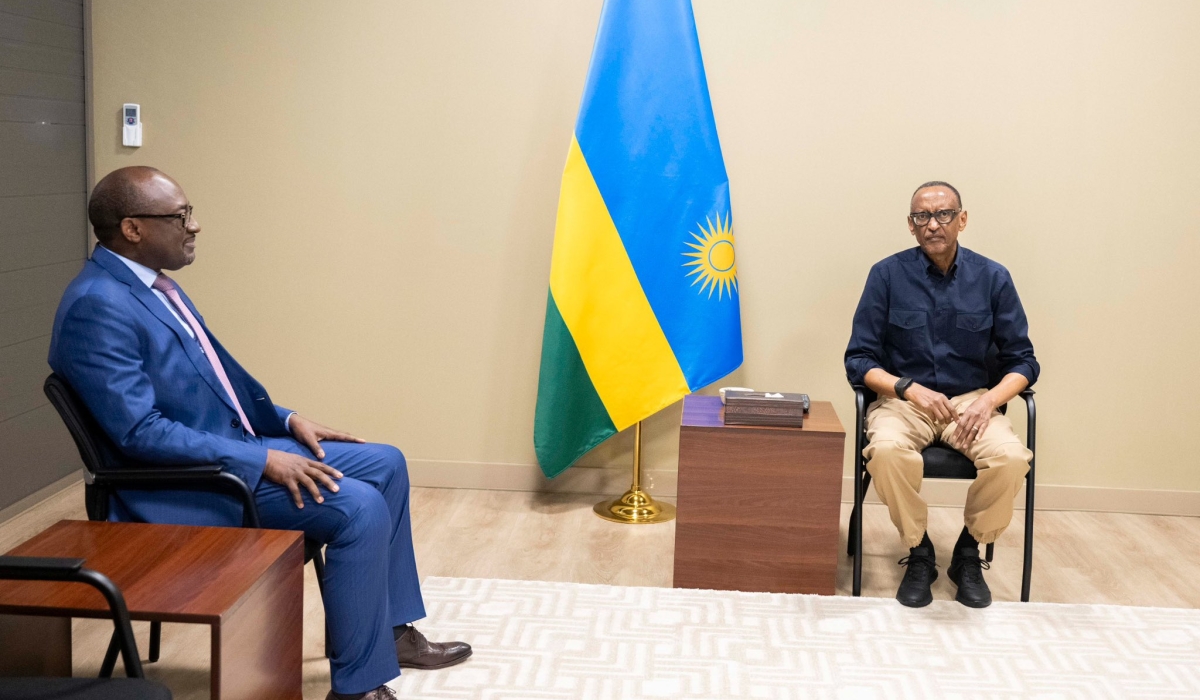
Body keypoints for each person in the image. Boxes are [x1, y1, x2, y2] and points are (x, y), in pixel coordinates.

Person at [49, 166, 470, 700]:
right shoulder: (97, 305)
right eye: (180, 216)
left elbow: (215, 383)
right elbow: (140, 434)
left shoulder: (153, 286)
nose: (194, 225)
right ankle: (358, 689)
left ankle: (387, 633)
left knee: (385, 462)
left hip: (230, 449)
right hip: (180, 484)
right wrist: (264, 461)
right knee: (358, 508)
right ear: (132, 228)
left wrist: (288, 421)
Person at [843, 181, 1038, 609]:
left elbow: (1024, 362)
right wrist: (907, 388)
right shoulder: (886, 275)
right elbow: (858, 359)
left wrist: (988, 402)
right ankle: (920, 550)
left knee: (1011, 458)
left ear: (962, 220)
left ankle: (968, 551)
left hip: (971, 403)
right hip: (904, 402)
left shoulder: (993, 278)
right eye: (922, 217)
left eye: (943, 214)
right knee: (886, 452)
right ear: (910, 225)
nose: (933, 224)